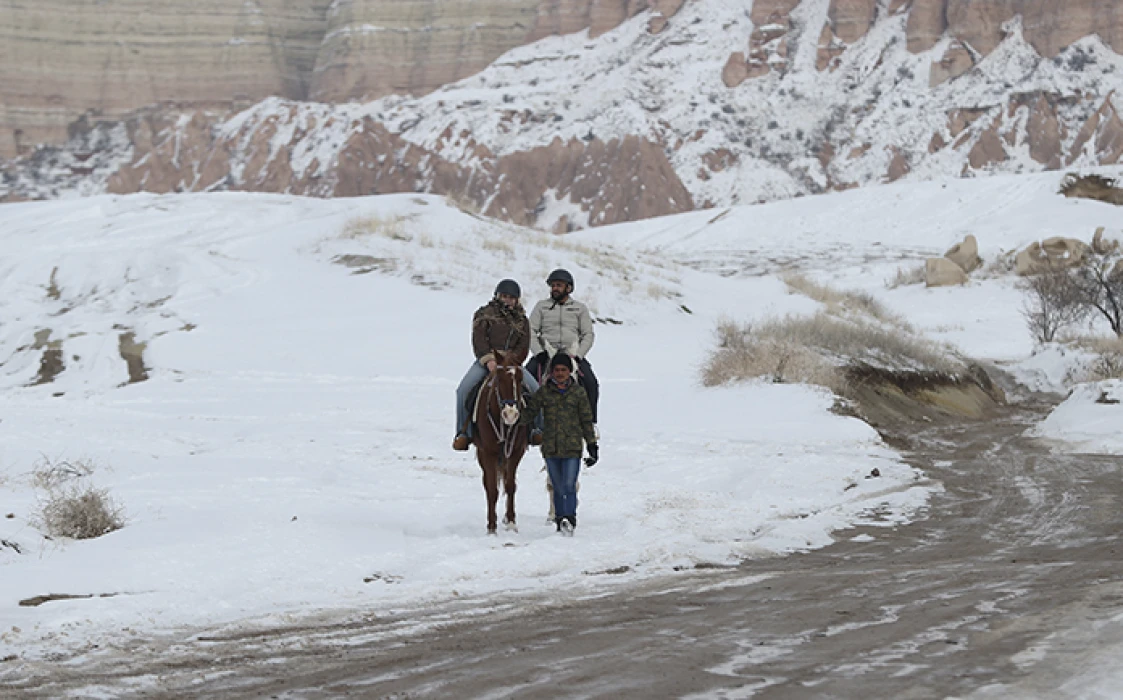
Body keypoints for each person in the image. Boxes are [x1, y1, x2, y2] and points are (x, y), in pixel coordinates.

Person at [453, 280, 540, 451]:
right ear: (497, 296)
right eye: (504, 296)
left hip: (512, 363)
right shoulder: (484, 314)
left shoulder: (522, 320)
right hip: (487, 361)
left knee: (536, 390)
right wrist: (489, 360)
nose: (507, 300)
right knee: (463, 390)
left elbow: (524, 344)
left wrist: (513, 362)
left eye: (511, 297)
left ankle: (536, 430)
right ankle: (464, 433)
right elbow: (479, 339)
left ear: (517, 300)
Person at [521, 353, 598, 535]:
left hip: (572, 447)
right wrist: (515, 418)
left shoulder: (578, 393)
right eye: (557, 370)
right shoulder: (544, 392)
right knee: (557, 485)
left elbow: (586, 420)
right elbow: (530, 413)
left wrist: (592, 445)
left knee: (569, 485)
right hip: (551, 447)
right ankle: (559, 518)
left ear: (570, 372)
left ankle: (569, 517)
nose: (560, 373)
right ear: (552, 372)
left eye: (564, 370)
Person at [526, 269, 600, 428]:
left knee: (591, 383)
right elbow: (530, 330)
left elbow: (588, 334)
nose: (555, 289)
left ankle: (591, 423)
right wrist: (539, 353)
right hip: (546, 352)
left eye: (559, 285)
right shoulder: (541, 307)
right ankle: (526, 423)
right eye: (553, 286)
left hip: (572, 353)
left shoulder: (580, 308)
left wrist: (579, 356)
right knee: (524, 380)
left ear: (569, 288)